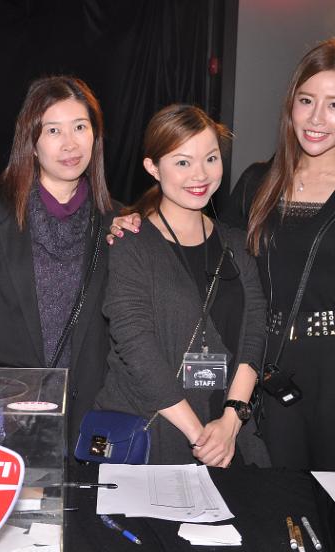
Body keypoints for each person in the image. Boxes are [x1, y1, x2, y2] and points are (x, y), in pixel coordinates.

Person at [219, 38, 335, 470]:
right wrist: (139, 224)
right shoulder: (255, 183)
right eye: (306, 100)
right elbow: (211, 255)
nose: (316, 118)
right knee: (267, 497)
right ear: (291, 103)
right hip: (267, 366)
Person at [0, 76, 120, 447]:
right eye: (53, 130)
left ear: (95, 136)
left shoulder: (115, 221)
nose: (70, 143)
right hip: (4, 409)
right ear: (31, 143)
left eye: (80, 127)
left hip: (86, 410)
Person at [94, 104, 268, 467]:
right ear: (153, 167)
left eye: (211, 159)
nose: (200, 174)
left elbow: (254, 333)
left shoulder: (236, 244)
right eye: (183, 162)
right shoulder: (131, 242)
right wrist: (200, 437)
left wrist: (231, 421)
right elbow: (135, 344)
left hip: (230, 433)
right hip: (156, 433)